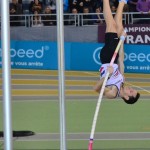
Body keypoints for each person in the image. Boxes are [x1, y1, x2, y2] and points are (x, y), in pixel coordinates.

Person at [93, 0, 140, 104]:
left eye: (131, 91)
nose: (130, 88)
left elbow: (96, 88)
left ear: (127, 97)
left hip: (107, 58)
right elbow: (121, 61)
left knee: (111, 25)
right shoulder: (122, 80)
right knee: (119, 27)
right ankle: (122, 2)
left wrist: (107, 76)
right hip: (114, 55)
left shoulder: (113, 93)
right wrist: (122, 41)